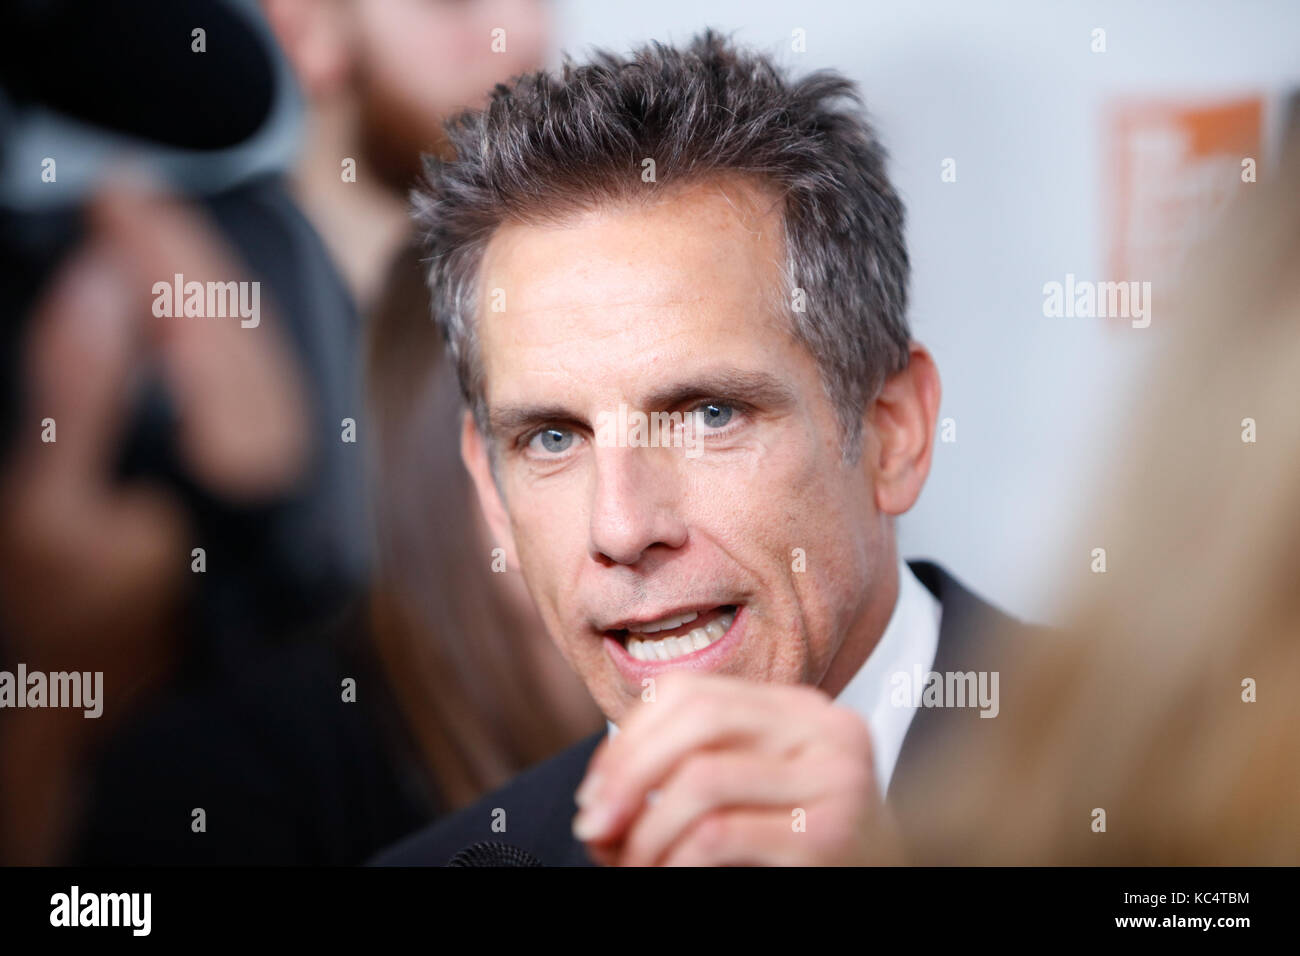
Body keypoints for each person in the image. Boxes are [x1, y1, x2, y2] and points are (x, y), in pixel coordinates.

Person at [374, 29, 1041, 867]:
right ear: (490, 489)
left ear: (891, 430)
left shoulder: (1189, 782)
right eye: (552, 438)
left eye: (709, 415)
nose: (620, 527)